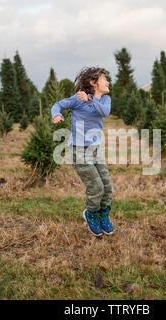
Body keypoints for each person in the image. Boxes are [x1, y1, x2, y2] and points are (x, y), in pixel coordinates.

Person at [51, 67, 114, 237]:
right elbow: (58, 105)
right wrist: (55, 115)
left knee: (107, 187)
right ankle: (91, 214)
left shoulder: (105, 100)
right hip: (79, 150)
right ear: (93, 83)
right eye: (104, 79)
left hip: (96, 149)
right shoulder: (77, 99)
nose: (108, 82)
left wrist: (90, 100)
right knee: (96, 186)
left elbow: (104, 112)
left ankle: (103, 215)